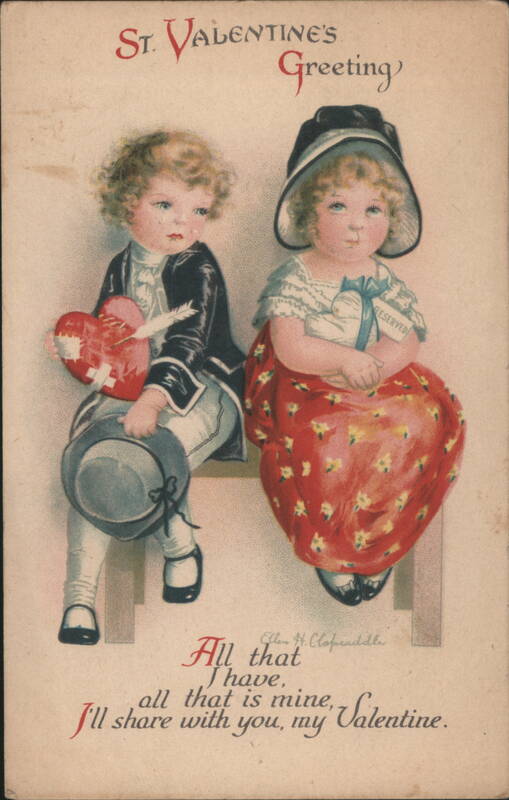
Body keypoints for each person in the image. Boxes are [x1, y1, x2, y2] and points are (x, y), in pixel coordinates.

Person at [244, 105, 465, 606]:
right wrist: (343, 360)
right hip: (304, 383)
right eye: (339, 207)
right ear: (307, 214)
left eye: (374, 210)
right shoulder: (298, 275)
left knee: (422, 418)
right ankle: (335, 554)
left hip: (372, 382)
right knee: (331, 447)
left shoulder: (381, 278)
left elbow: (405, 340)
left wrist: (376, 368)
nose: (356, 227)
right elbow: (290, 347)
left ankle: (379, 548)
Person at [49, 130, 246, 643]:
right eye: (166, 204)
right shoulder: (121, 265)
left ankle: (180, 546)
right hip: (132, 389)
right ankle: (79, 600)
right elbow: (110, 334)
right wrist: (74, 346)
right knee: (95, 456)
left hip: (202, 390)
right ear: (126, 204)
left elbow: (188, 342)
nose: (185, 221)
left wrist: (155, 399)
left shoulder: (197, 264)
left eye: (199, 210)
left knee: (150, 450)